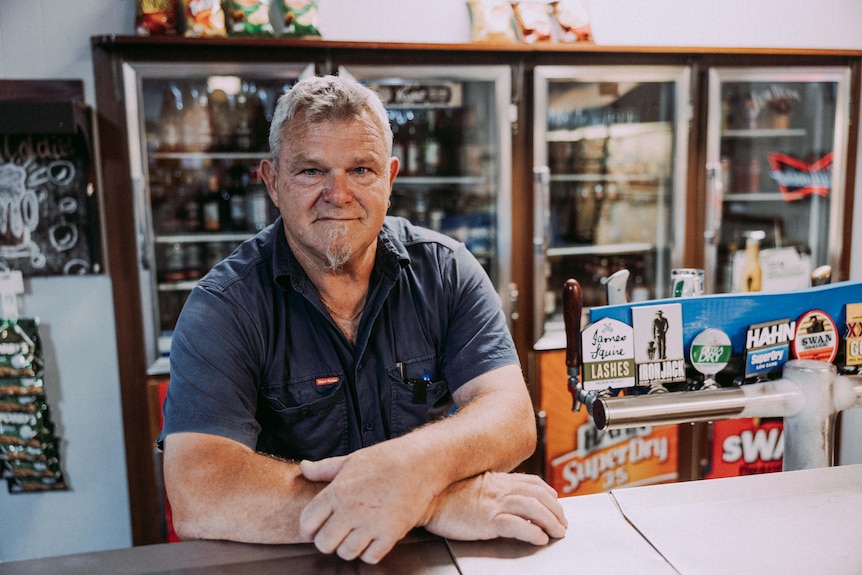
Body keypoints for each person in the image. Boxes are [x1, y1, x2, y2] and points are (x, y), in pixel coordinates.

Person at [158, 74, 567, 565]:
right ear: (271, 181)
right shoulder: (223, 307)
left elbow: (511, 418)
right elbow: (200, 493)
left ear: (391, 177)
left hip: (430, 561)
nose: (339, 192)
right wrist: (425, 501)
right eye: (311, 171)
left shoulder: (446, 270)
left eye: (362, 169)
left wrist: (407, 470)